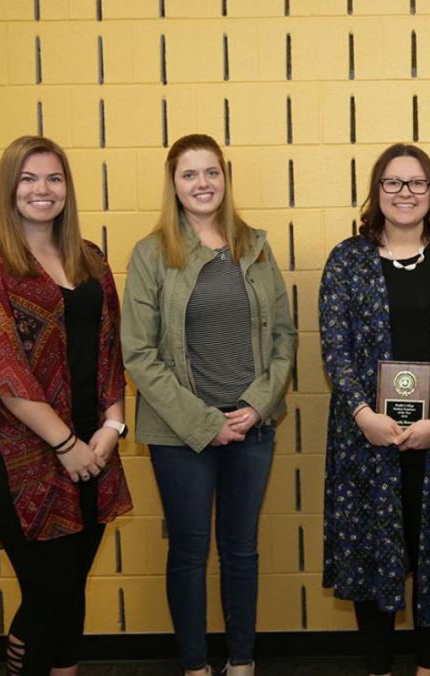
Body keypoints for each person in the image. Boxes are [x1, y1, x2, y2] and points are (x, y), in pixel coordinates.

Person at [0, 135, 132, 675]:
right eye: (28, 179)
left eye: (53, 178)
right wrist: (66, 444)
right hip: (24, 463)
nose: (42, 190)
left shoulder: (91, 258)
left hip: (94, 454)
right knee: (48, 598)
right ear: (9, 188)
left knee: (70, 596)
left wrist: (113, 425)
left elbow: (112, 348)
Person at [120, 134, 297, 676]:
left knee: (241, 551)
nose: (202, 184)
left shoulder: (255, 248)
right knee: (190, 554)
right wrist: (205, 422)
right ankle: (196, 666)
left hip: (252, 429)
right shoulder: (152, 254)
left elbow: (284, 337)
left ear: (225, 178)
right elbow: (138, 353)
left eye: (211, 172)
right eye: (189, 174)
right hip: (181, 436)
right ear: (173, 184)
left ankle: (241, 662)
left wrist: (256, 406)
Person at [319, 143, 430, 676]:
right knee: (372, 552)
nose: (405, 193)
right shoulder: (348, 258)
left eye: (417, 183)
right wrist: (363, 413)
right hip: (366, 435)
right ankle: (378, 668)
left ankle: (429, 668)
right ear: (376, 192)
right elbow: (334, 344)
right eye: (393, 183)